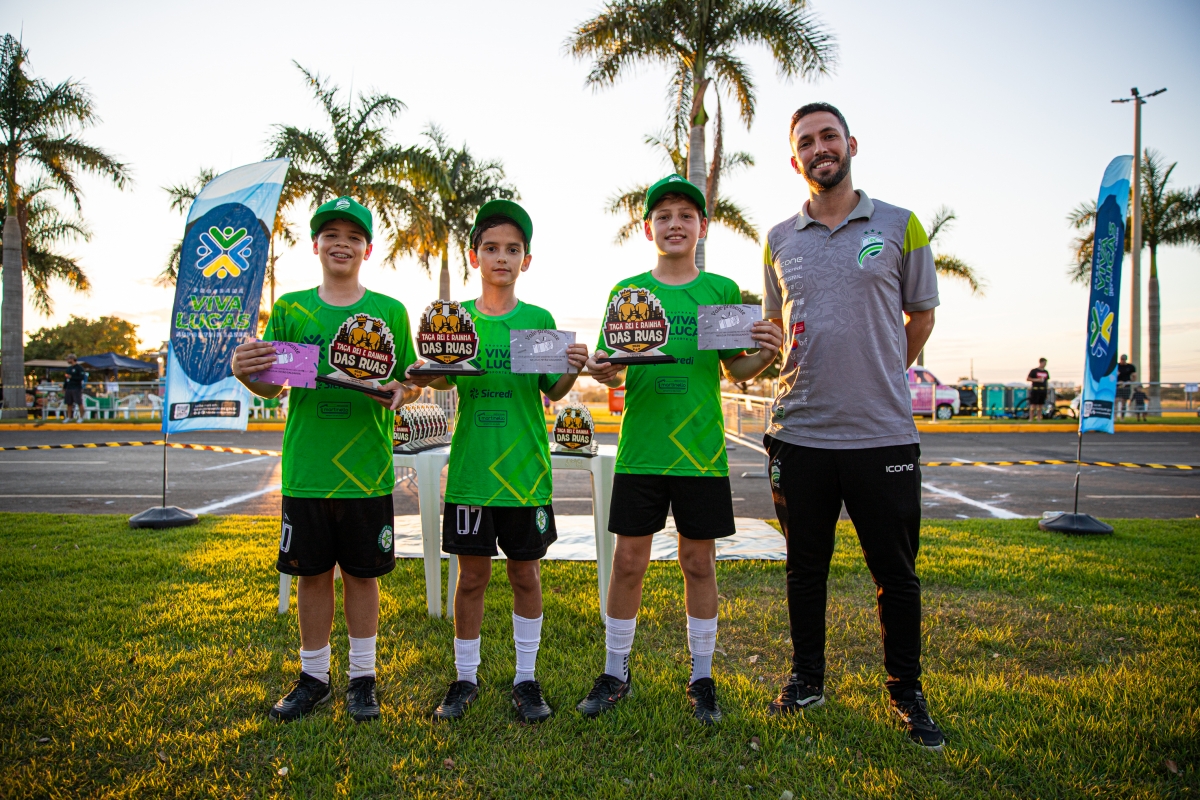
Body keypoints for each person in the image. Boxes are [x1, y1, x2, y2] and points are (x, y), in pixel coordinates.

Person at [761, 103, 945, 750]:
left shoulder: (900, 224)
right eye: (807, 142)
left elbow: (921, 315)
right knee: (804, 567)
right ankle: (807, 680)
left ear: (851, 144)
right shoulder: (778, 238)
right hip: (799, 433)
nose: (820, 148)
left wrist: (882, 372)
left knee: (895, 573)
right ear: (795, 160)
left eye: (829, 136)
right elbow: (776, 327)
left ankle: (906, 691)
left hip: (882, 434)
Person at [579, 175, 782, 725]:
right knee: (628, 562)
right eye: (664, 216)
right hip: (641, 450)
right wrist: (603, 369)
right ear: (649, 228)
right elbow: (612, 366)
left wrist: (766, 353)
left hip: (700, 452)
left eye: (685, 216)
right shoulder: (627, 292)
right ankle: (615, 671)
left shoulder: (720, 290)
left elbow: (736, 369)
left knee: (698, 562)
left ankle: (702, 678)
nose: (675, 224)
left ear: (703, 227)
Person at [231, 196, 421, 724]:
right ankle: (313, 677)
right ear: (315, 245)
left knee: (362, 577)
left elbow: (407, 380)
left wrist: (403, 392)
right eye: (331, 235)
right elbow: (271, 385)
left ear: (368, 249)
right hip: (308, 468)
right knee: (312, 576)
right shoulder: (292, 308)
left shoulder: (389, 311)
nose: (342, 244)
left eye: (353, 236)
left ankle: (363, 678)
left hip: (366, 470)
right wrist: (247, 373)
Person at [407, 200, 588, 724]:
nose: (501, 258)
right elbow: (440, 377)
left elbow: (554, 388)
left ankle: (525, 679)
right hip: (471, 472)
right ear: (474, 256)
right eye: (491, 248)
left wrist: (572, 367)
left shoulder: (538, 321)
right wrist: (422, 370)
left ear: (526, 260)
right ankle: (465, 678)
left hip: (524, 472)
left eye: (512, 249)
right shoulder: (456, 321)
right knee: (471, 578)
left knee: (526, 575)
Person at [62, 354, 87, 423]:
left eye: (68, 359)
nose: (67, 360)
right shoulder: (69, 368)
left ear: (72, 359)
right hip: (69, 387)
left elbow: (81, 377)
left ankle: (81, 417)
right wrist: (64, 387)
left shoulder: (79, 368)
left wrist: (72, 377)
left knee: (79, 402)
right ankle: (69, 417)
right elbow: (66, 379)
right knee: (69, 403)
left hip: (76, 387)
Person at [1115, 355, 1136, 419]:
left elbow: (1134, 376)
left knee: (1124, 402)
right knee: (1116, 401)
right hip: (1117, 386)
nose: (1123, 361)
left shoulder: (1130, 367)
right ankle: (1115, 417)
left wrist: (1129, 381)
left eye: (1124, 359)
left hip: (1126, 387)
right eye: (1122, 359)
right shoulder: (1116, 366)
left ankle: (1122, 417)